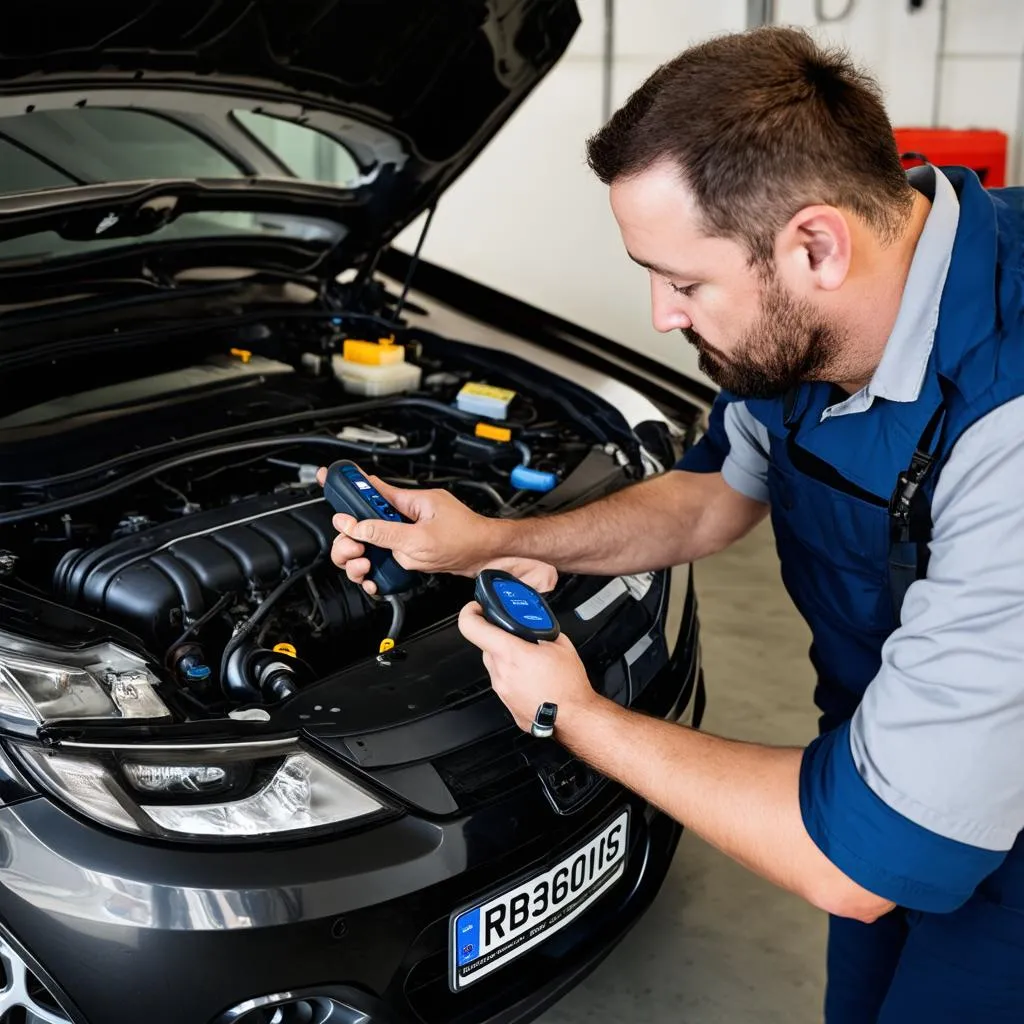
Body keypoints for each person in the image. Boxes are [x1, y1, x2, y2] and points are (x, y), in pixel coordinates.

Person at [319, 26, 1024, 1023]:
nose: (659, 314)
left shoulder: (1007, 420)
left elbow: (865, 856)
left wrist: (575, 713)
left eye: (684, 282)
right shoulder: (840, 291)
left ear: (814, 244)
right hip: (879, 748)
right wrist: (491, 539)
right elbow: (710, 497)